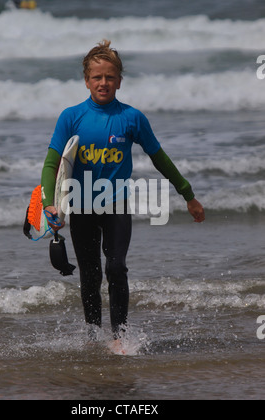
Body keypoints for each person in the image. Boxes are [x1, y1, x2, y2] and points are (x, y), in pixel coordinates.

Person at [41, 40, 205, 344]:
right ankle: (93, 334)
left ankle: (119, 337)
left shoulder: (132, 118)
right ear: (86, 80)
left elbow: (159, 157)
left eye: (110, 77)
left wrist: (188, 194)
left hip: (116, 205)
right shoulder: (71, 117)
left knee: (116, 268)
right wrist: (49, 204)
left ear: (119, 79)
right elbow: (53, 164)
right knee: (90, 275)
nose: (104, 83)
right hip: (82, 206)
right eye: (97, 77)